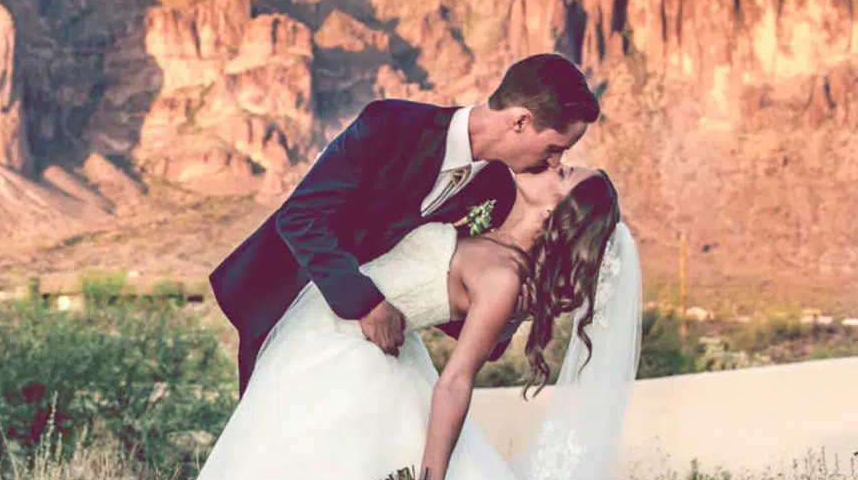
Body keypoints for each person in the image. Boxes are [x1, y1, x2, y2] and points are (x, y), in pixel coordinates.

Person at [130, 159, 642, 480]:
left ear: (559, 211)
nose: (556, 165)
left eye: (566, 174)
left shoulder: (505, 277)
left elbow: (457, 382)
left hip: (354, 365)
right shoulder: (487, 219)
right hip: (326, 340)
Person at [209, 53, 601, 396]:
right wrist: (366, 302)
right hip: (287, 303)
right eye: (554, 148)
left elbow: (446, 289)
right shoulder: (391, 124)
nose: (554, 163)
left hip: (372, 356)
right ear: (520, 121)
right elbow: (300, 216)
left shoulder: (497, 191)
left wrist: (510, 308)